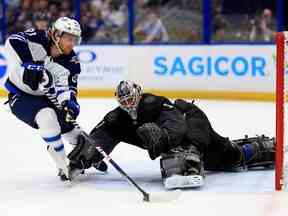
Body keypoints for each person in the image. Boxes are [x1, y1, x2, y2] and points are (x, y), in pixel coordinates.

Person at [68, 80, 275, 189]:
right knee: (210, 161)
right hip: (177, 137)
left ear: (138, 94)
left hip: (191, 120)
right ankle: (185, 158)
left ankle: (258, 150)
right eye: (124, 102)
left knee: (226, 157)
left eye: (131, 99)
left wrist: (164, 139)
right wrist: (84, 158)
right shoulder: (117, 117)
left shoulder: (154, 103)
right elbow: (101, 137)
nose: (129, 104)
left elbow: (176, 125)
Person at [3, 17, 106, 181]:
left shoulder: (71, 62)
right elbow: (12, 41)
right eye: (69, 38)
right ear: (57, 35)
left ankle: (90, 156)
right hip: (21, 95)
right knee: (47, 117)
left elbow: (67, 88)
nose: (72, 44)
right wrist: (29, 64)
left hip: (45, 95)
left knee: (74, 131)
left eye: (75, 40)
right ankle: (63, 164)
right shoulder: (38, 37)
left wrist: (69, 103)